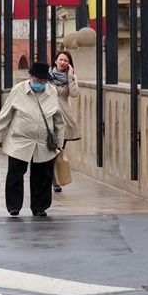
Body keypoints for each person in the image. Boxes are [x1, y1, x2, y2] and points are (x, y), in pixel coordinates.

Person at [0, 62, 65, 217]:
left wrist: (59, 142)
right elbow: (5, 114)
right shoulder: (18, 90)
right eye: (38, 80)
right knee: (15, 174)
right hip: (19, 140)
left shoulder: (52, 92)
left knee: (43, 175)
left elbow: (58, 119)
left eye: (43, 81)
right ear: (31, 77)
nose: (40, 83)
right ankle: (14, 206)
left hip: (43, 142)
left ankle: (40, 207)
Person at [50, 50, 80, 192]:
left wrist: (70, 77)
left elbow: (74, 94)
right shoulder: (47, 76)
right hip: (49, 116)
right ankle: (49, 178)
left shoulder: (70, 78)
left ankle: (56, 181)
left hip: (64, 119)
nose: (63, 62)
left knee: (59, 150)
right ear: (55, 61)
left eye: (66, 61)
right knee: (48, 150)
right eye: (61, 59)